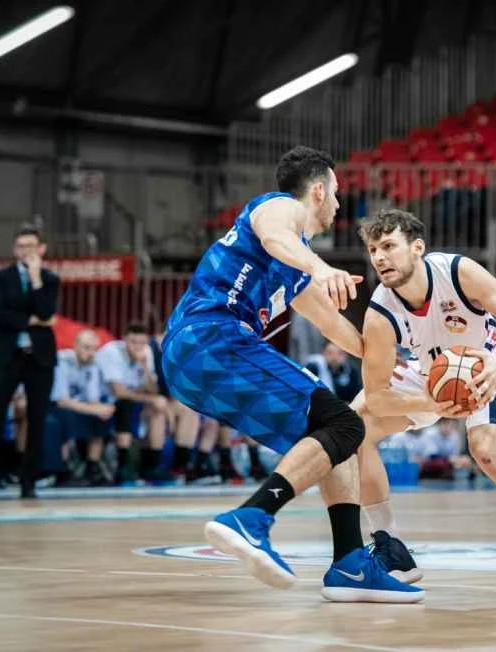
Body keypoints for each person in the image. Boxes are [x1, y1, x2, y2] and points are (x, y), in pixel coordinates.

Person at [161, 146, 422, 603]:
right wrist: (321, 268)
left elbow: (332, 325)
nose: (338, 203)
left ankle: (350, 564)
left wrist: (384, 358)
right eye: (336, 192)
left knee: (337, 435)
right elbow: (274, 236)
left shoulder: (291, 263)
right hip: (212, 337)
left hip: (194, 361)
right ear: (318, 190)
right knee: (344, 423)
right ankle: (251, 518)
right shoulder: (279, 209)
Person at [352, 207, 496, 599]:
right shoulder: (380, 311)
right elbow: (377, 396)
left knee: (487, 451)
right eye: (373, 249)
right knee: (352, 428)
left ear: (417, 248)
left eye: (389, 246)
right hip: (432, 375)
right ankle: (391, 548)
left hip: (486, 364)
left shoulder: (457, 272)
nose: (379, 257)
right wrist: (429, 401)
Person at [0, 225, 60, 500]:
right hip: (7, 355)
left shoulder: (50, 279)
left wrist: (36, 279)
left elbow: (47, 312)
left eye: (31, 245)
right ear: (15, 249)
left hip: (39, 357)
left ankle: (29, 481)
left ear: (41, 249)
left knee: (37, 419)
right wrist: (32, 320)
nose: (25, 250)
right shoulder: (2, 277)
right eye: (21, 246)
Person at [95, 323, 172, 484]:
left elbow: (153, 390)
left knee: (157, 407)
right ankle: (123, 468)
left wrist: (145, 368)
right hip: (102, 400)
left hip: (132, 399)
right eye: (133, 342)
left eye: (141, 343)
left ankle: (151, 466)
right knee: (128, 404)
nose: (137, 346)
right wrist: (151, 399)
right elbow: (119, 392)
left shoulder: (146, 352)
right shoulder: (111, 352)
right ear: (124, 340)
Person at [47, 329, 114, 486]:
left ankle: (92, 467)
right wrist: (94, 409)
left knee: (102, 417)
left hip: (78, 407)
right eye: (86, 348)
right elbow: (62, 400)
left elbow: (93, 399)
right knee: (64, 417)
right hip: (54, 406)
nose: (90, 353)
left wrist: (103, 410)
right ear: (75, 346)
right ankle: (62, 471)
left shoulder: (93, 365)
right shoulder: (62, 361)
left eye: (94, 349)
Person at [150, 332, 198, 482]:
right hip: (149, 400)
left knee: (189, 410)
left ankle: (180, 467)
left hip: (169, 400)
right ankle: (153, 466)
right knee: (159, 409)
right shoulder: (149, 349)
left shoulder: (183, 350)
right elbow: (150, 389)